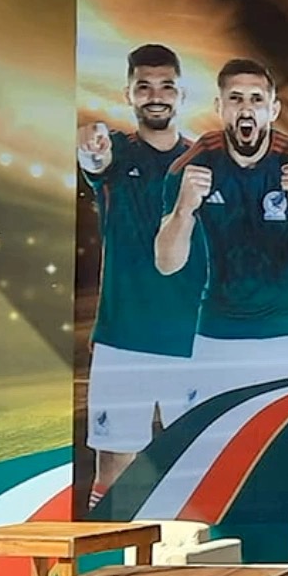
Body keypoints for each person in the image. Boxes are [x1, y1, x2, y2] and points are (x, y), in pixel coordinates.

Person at [157, 58, 288, 393]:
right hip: (217, 331)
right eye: (236, 98)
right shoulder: (191, 166)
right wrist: (184, 210)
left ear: (273, 109)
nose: (246, 109)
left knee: (285, 427)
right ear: (220, 107)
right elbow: (167, 263)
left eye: (256, 99)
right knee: (213, 428)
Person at [76, 44, 207, 510]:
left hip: (191, 341)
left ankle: (189, 552)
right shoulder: (115, 153)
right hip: (124, 339)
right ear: (128, 94)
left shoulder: (202, 161)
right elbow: (93, 159)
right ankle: (111, 554)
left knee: (194, 462)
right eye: (144, 86)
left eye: (166, 86)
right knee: (114, 466)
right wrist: (89, 148)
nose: (156, 95)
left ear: (181, 95)